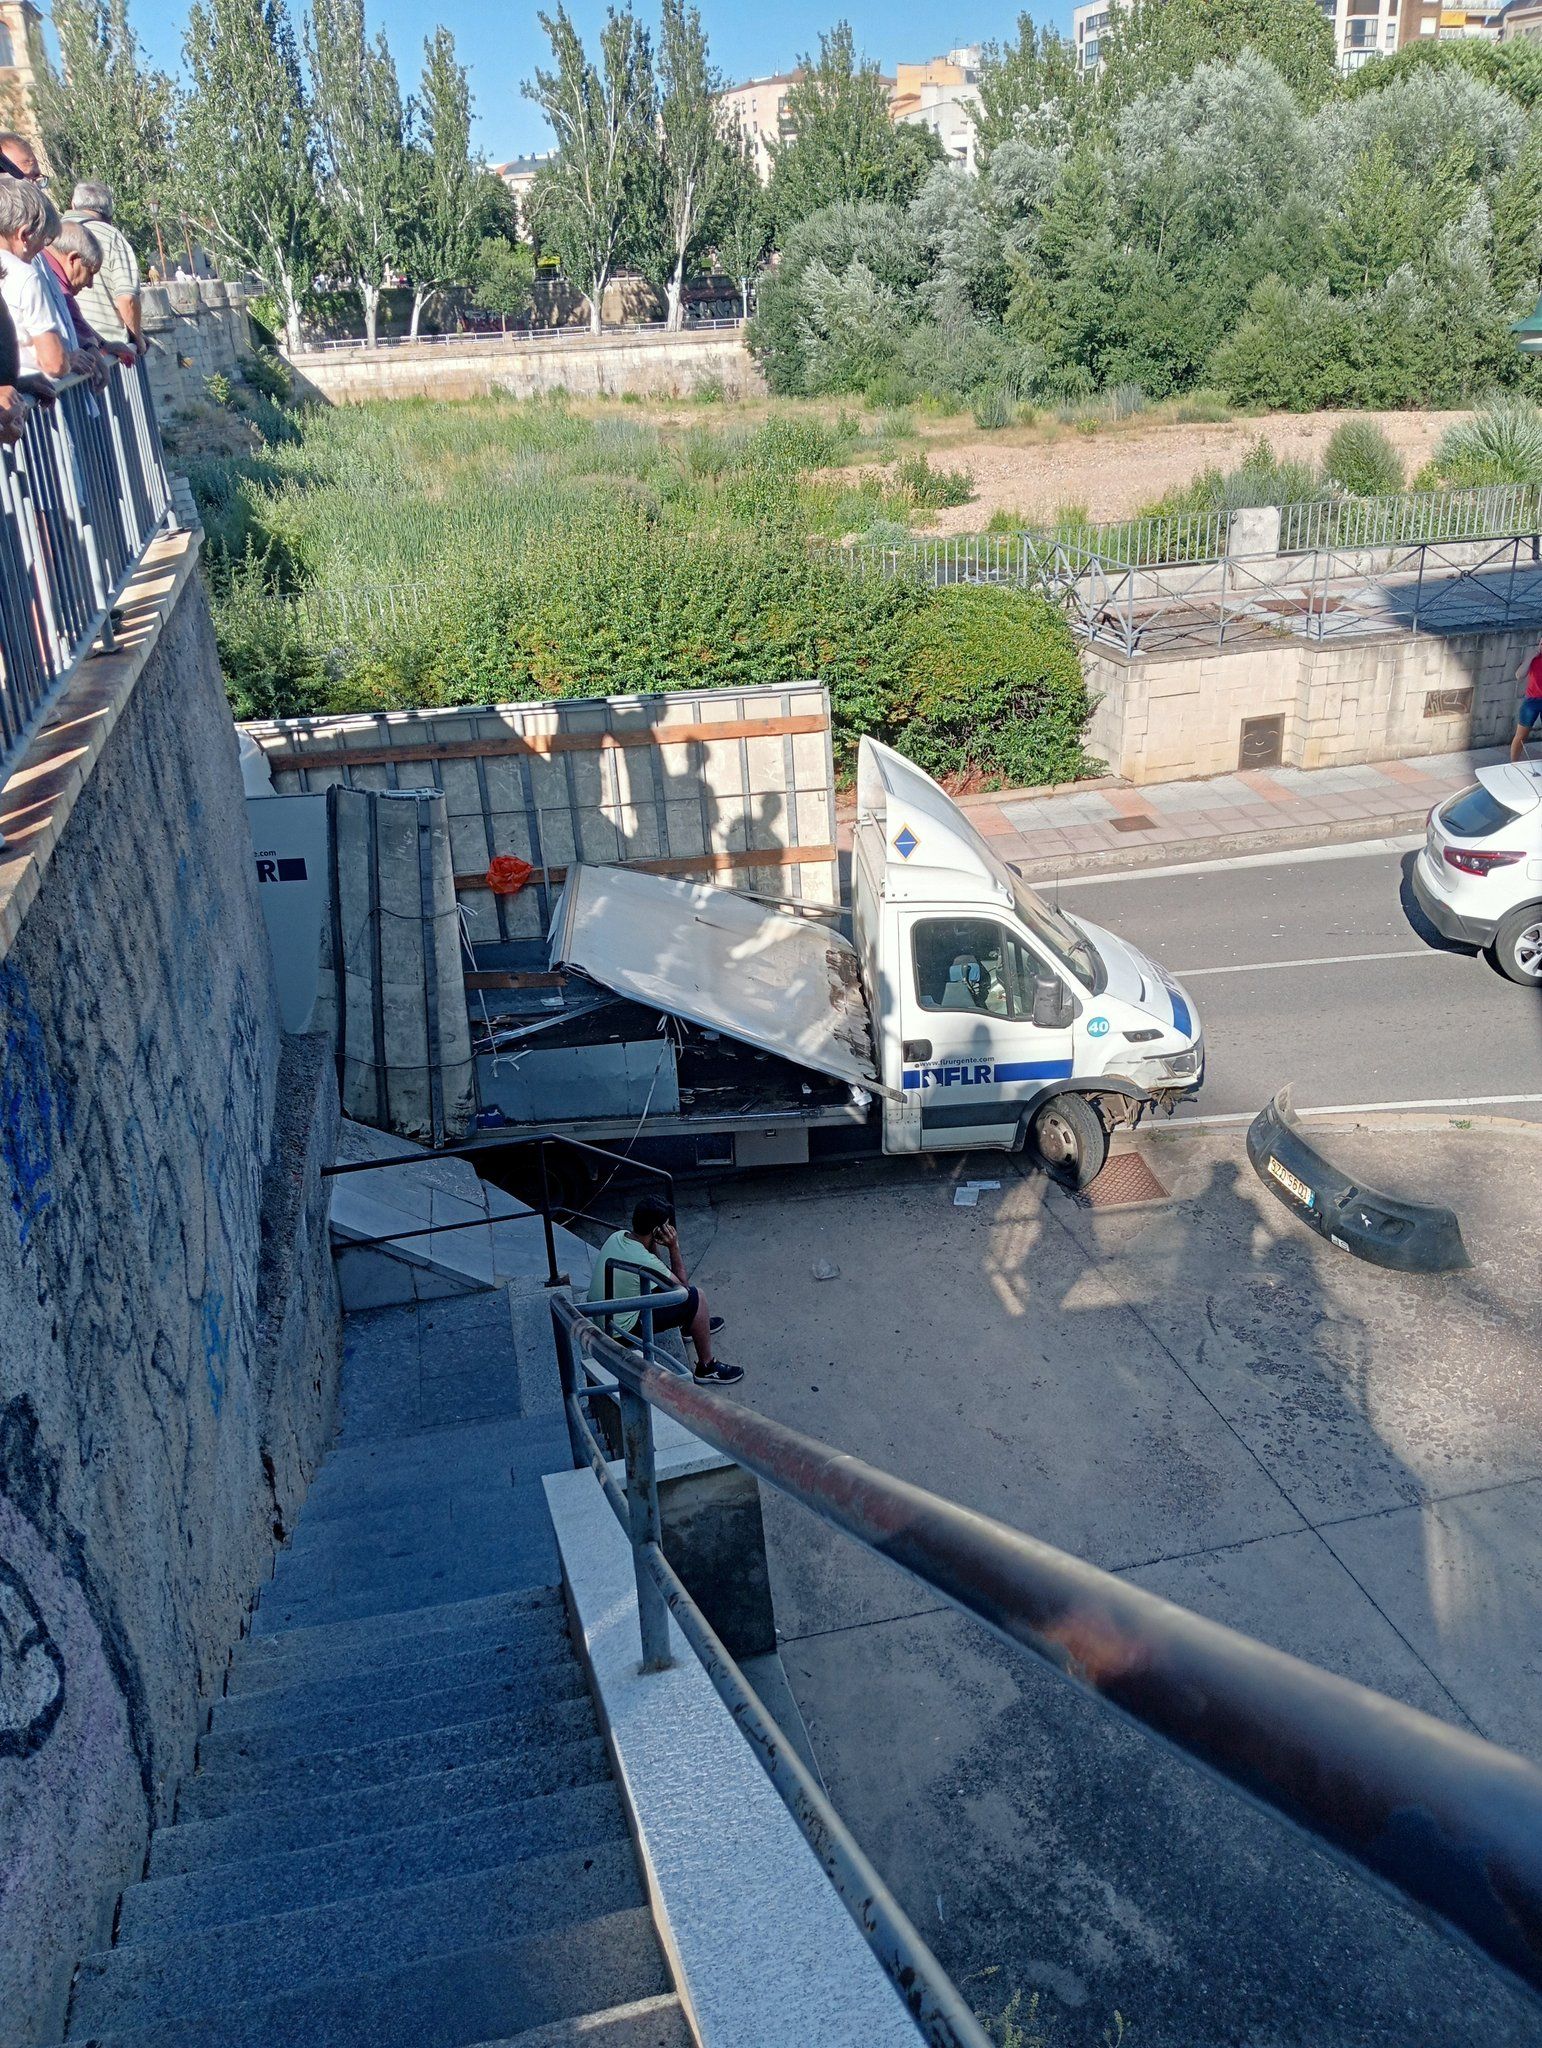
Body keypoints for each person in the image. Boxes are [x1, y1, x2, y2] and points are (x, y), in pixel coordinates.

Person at [592, 1195, 742, 1385]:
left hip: (605, 1317)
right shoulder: (643, 1259)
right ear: (657, 1230)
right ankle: (706, 1367)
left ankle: (692, 1324)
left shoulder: (619, 1236)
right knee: (697, 1297)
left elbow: (660, 1276)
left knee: (689, 1302)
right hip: (620, 1332)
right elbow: (682, 1290)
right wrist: (673, 1247)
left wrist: (652, 1242)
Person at [64, 182, 144, 357]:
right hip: (112, 353)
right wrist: (138, 340)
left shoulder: (53, 232)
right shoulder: (112, 237)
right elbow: (127, 299)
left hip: (73, 352)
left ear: (73, 205)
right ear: (109, 212)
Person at [1512, 642, 1542, 763]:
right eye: (1541, 643)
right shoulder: (1534, 659)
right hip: (1532, 702)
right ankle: (1513, 764)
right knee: (1520, 736)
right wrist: (1530, 657)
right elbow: (1519, 675)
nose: (1541, 646)